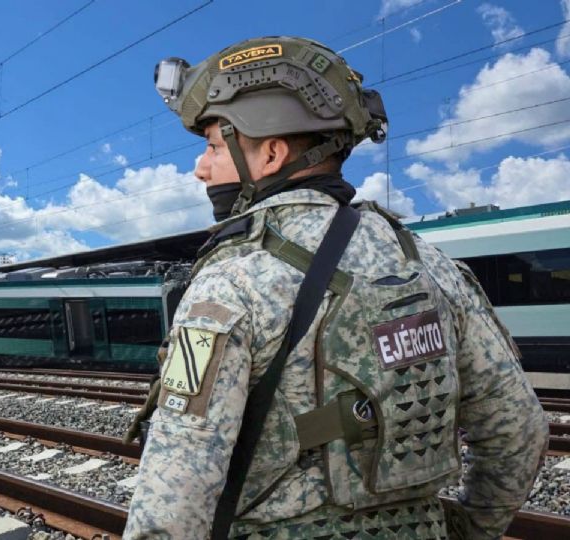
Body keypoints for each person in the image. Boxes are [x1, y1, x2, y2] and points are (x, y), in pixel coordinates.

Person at [125, 36, 548, 540]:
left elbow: (176, 492)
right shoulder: (430, 263)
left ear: (271, 154)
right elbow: (519, 430)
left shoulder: (232, 277)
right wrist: (474, 527)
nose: (201, 167)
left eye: (215, 145)